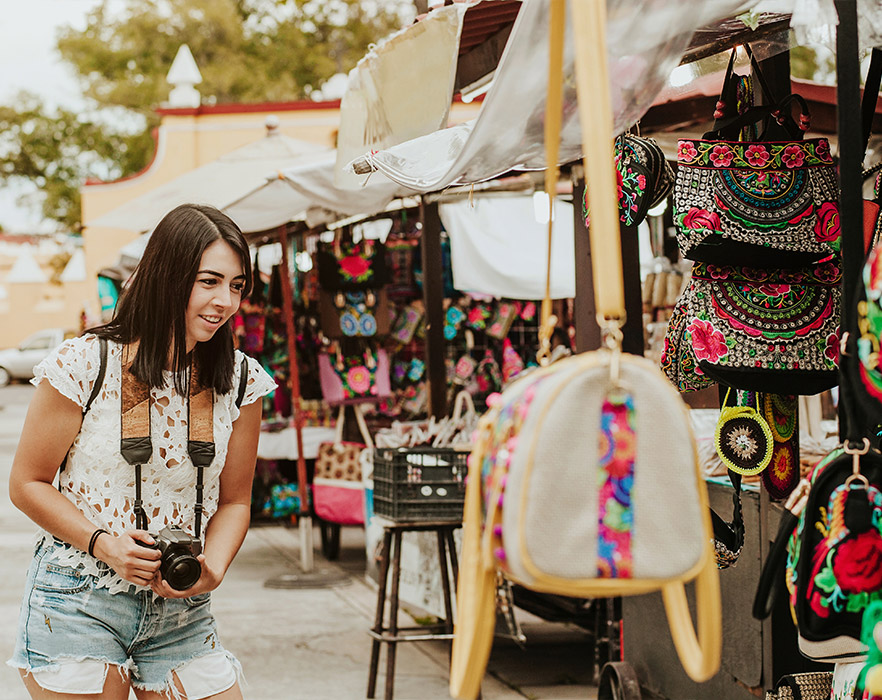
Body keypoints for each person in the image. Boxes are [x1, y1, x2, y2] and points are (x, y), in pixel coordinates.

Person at [8, 204, 276, 699]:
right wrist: (105, 544)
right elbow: (27, 484)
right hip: (78, 599)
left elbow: (236, 500)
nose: (225, 301)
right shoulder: (86, 362)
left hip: (182, 611)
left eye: (237, 286)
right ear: (167, 277)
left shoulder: (239, 381)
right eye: (209, 281)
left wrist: (210, 569)